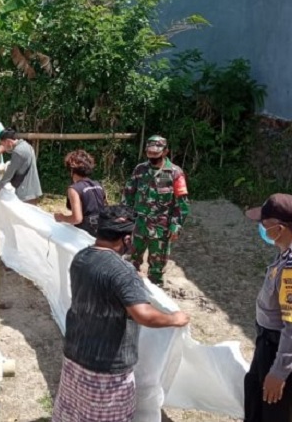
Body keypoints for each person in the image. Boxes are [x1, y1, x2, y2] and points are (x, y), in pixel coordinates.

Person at [52, 205, 190, 422]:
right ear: (126, 239)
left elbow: (102, 287)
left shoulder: (82, 257)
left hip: (75, 353)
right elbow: (143, 314)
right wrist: (175, 319)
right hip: (107, 368)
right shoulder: (122, 272)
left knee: (74, 413)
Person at [243, 193, 292, 422]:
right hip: (270, 344)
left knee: (272, 413)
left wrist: (278, 373)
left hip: (279, 349)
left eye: (264, 224)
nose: (260, 228)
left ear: (279, 229)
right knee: (255, 400)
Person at [122, 135, 190, 286]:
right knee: (130, 262)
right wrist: (125, 217)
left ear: (165, 152)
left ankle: (155, 298)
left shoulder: (175, 173)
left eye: (156, 153)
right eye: (149, 153)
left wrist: (176, 225)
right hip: (138, 226)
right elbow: (128, 194)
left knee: (156, 270)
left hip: (161, 229)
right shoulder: (140, 170)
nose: (152, 156)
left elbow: (182, 204)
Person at [54, 149, 107, 235]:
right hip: (102, 229)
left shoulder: (74, 189)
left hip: (87, 233)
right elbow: (105, 207)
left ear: (71, 171)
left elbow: (77, 219)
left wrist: (61, 217)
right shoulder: (98, 185)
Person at [0, 128, 42, 204]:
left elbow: (9, 173)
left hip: (25, 192)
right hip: (33, 188)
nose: (4, 147)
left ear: (8, 141)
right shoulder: (26, 145)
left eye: (3, 144)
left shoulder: (18, 152)